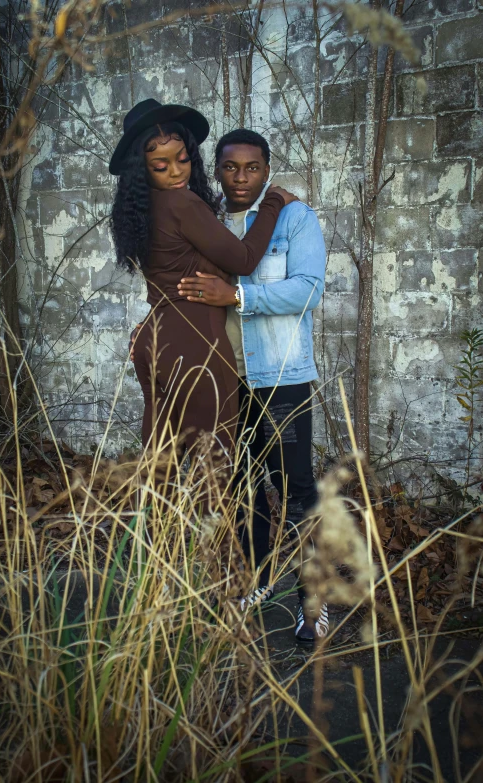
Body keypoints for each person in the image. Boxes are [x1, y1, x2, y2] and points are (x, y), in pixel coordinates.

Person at [176, 129, 327, 642]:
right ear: (216, 170)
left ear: (266, 168)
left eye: (252, 167)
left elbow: (307, 291)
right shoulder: (206, 220)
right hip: (225, 381)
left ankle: (314, 601)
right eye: (230, 167)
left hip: (281, 379)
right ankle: (256, 582)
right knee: (240, 488)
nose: (241, 177)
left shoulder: (294, 217)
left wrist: (237, 294)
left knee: (297, 489)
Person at [109, 100, 296, 510]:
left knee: (161, 467)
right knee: (218, 465)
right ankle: (221, 567)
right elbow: (244, 259)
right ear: (143, 168)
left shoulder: (141, 211)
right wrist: (273, 202)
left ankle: (157, 564)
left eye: (182, 159)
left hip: (155, 340)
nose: (176, 172)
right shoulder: (184, 205)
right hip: (196, 344)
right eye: (161, 166)